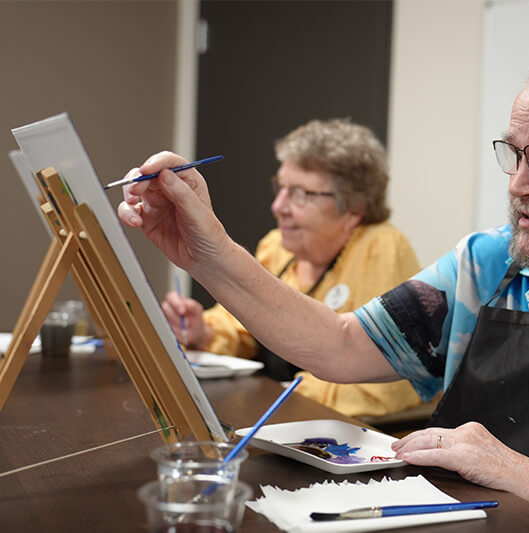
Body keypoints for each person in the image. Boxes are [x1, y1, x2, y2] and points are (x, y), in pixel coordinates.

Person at [119, 48, 529, 531]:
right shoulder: (489, 264)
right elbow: (343, 345)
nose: (518, 184)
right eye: (514, 154)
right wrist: (210, 254)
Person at [161, 119, 424, 418]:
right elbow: (243, 325)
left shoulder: (381, 247)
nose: (278, 206)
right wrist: (205, 332)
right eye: (281, 188)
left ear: (353, 209)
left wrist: (270, 395)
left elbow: (378, 386)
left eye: (300, 194)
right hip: (284, 425)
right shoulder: (278, 247)